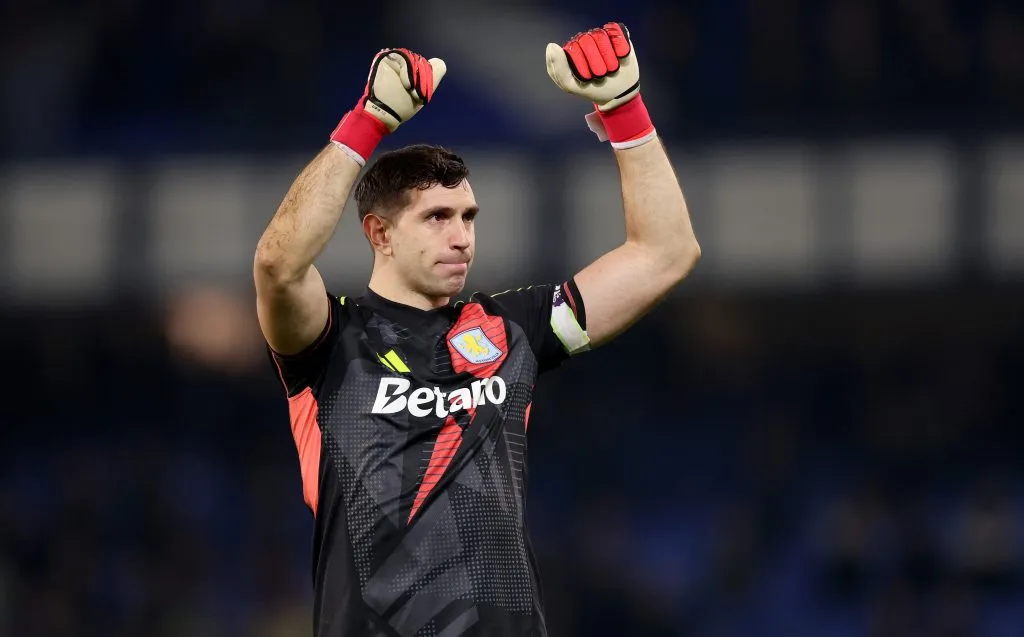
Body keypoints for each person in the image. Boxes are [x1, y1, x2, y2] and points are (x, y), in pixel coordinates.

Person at [254, 22, 701, 637]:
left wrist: (625, 112)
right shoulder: (330, 343)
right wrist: (368, 122)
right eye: (437, 217)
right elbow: (277, 264)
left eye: (468, 217)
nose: (462, 236)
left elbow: (665, 254)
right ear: (379, 233)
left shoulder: (511, 330)